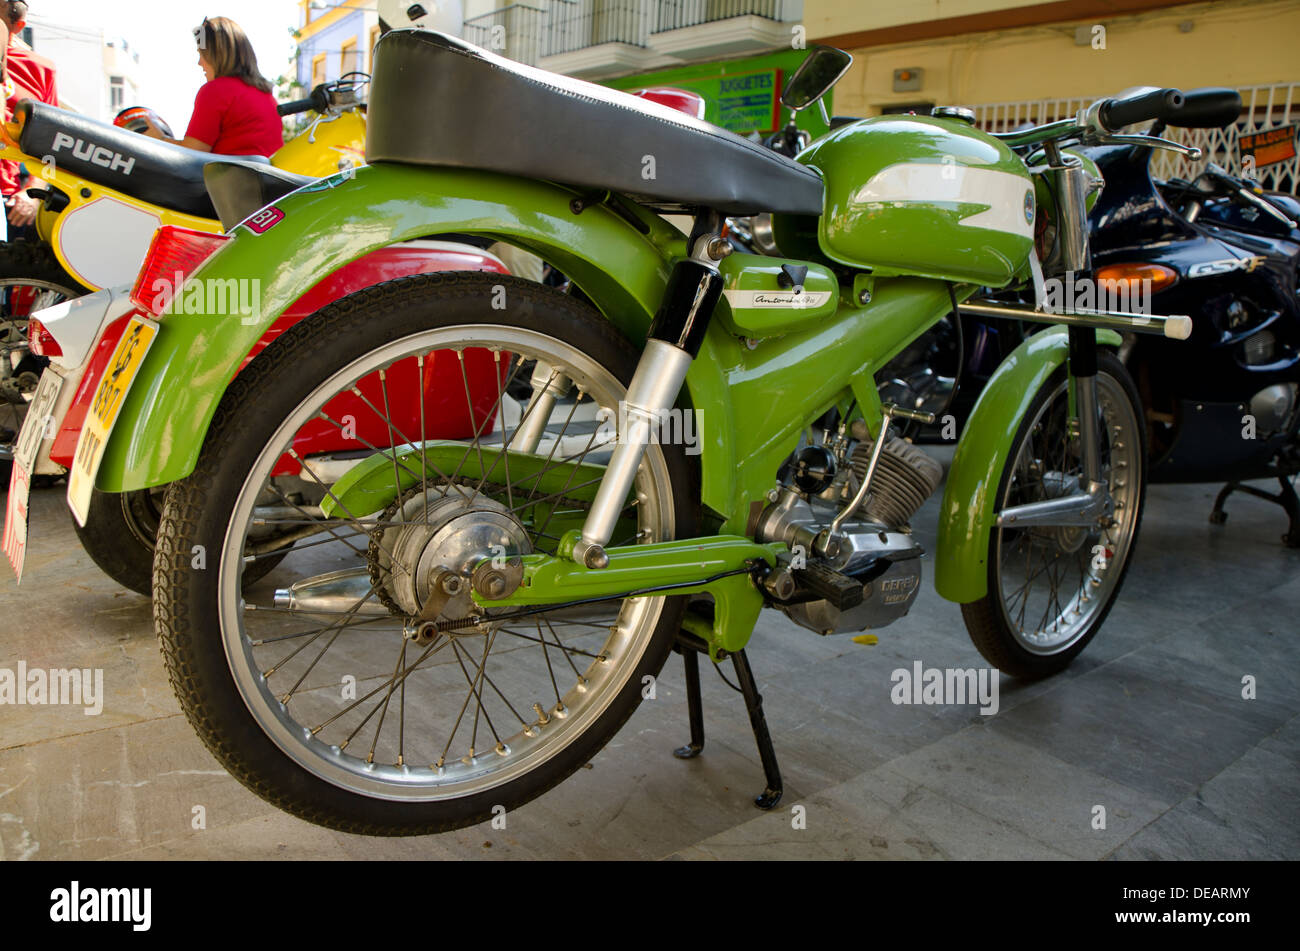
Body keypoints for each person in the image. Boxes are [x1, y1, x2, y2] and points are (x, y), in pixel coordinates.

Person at [142, 16, 282, 158]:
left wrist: (160, 139)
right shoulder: (266, 95)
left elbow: (191, 154)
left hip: (228, 178)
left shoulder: (216, 91)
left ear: (215, 55)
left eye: (201, 54)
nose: (199, 62)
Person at [2, 1, 59, 230]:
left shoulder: (41, 70)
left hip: (14, 204)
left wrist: (33, 193)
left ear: (18, 25)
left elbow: (54, 144)